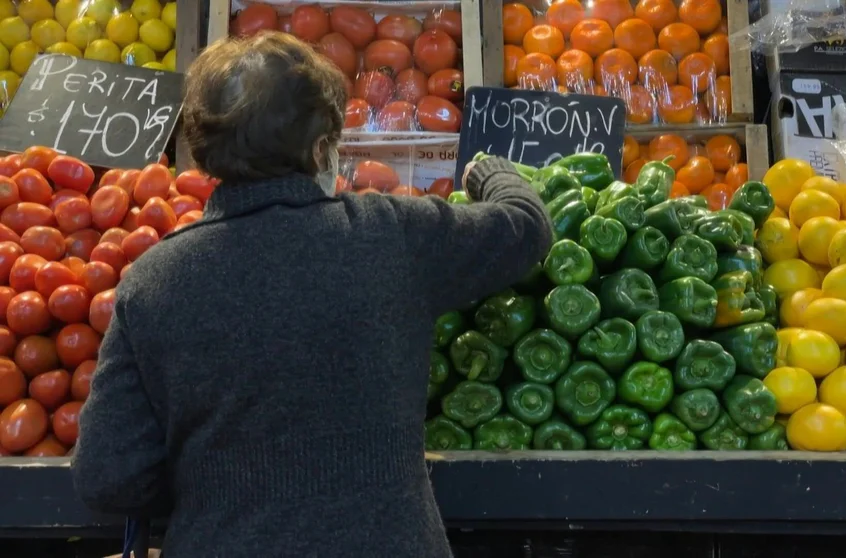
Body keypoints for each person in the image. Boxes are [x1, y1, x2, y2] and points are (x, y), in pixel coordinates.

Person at [71, 32, 552, 558]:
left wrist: (216, 485)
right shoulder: (391, 235)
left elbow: (108, 477)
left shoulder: (153, 281)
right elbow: (526, 229)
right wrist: (491, 174)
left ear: (204, 151)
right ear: (321, 149)